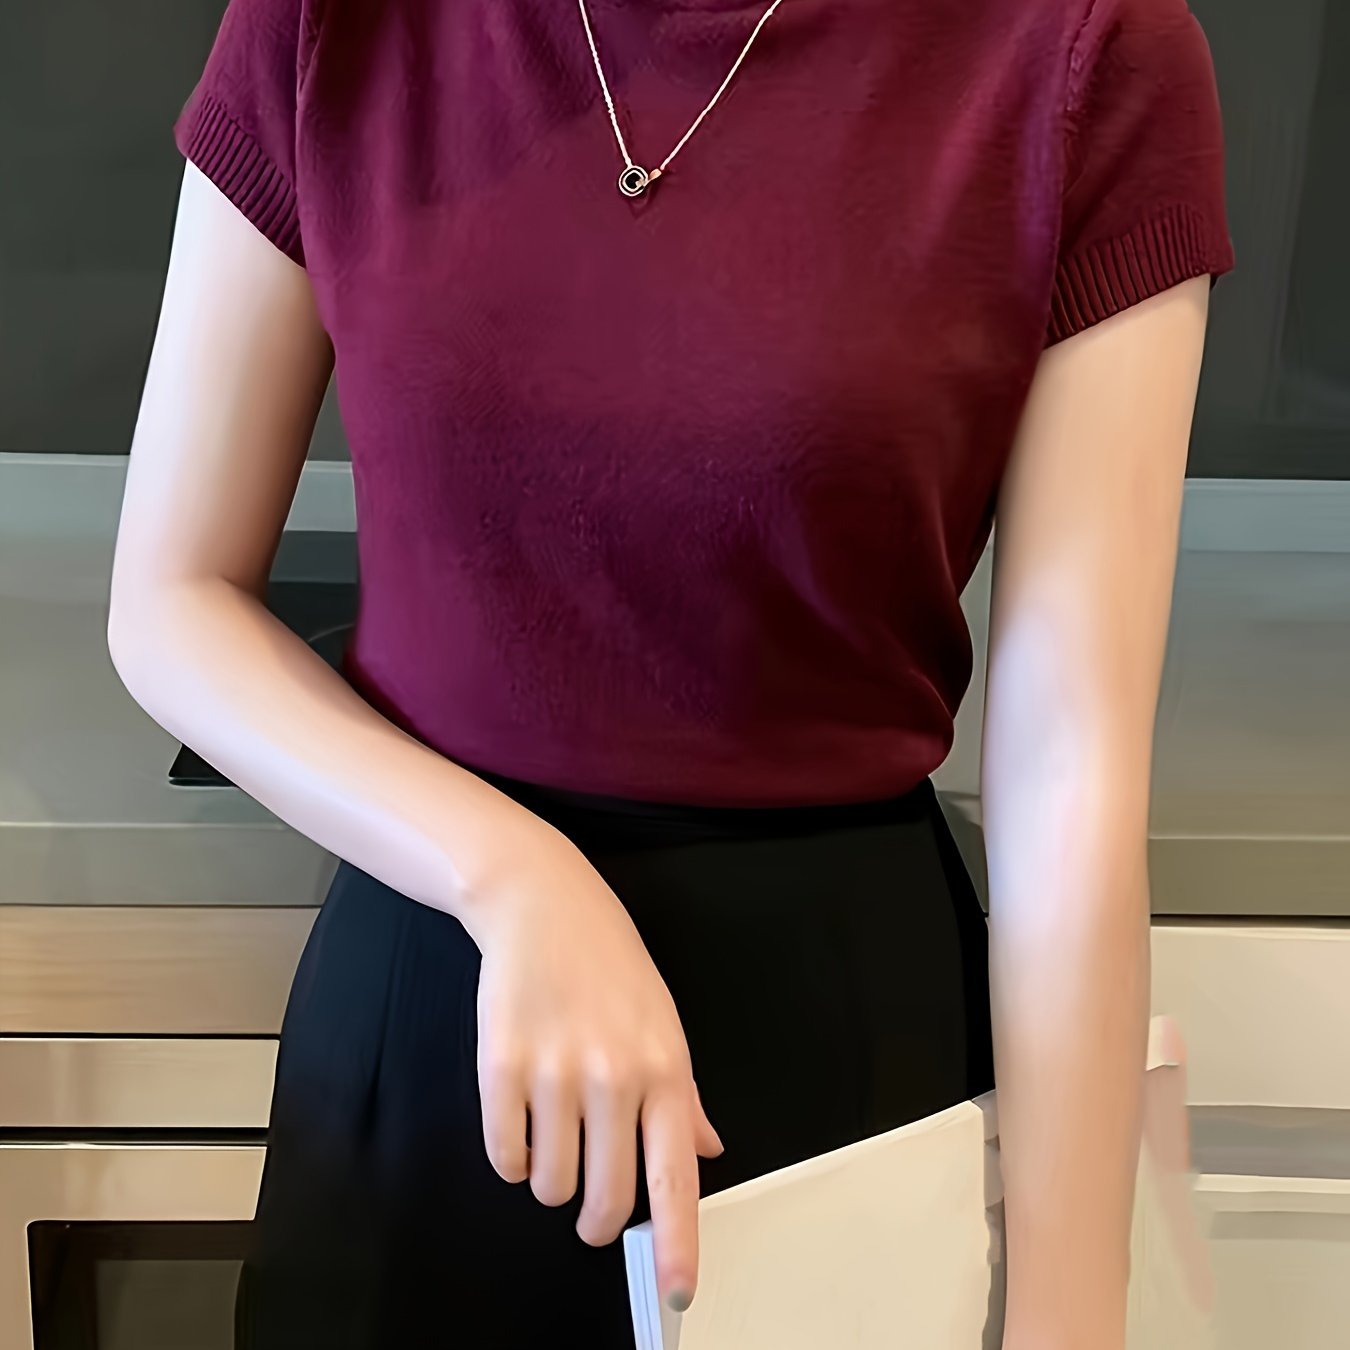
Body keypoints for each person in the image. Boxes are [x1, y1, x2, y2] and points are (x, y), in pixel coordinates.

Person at [108, 0, 1235, 1345]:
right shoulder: (338, 22)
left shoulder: (1084, 49)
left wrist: (1068, 1317)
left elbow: (1070, 766)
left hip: (832, 1064)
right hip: (431, 1019)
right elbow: (172, 599)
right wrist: (514, 875)